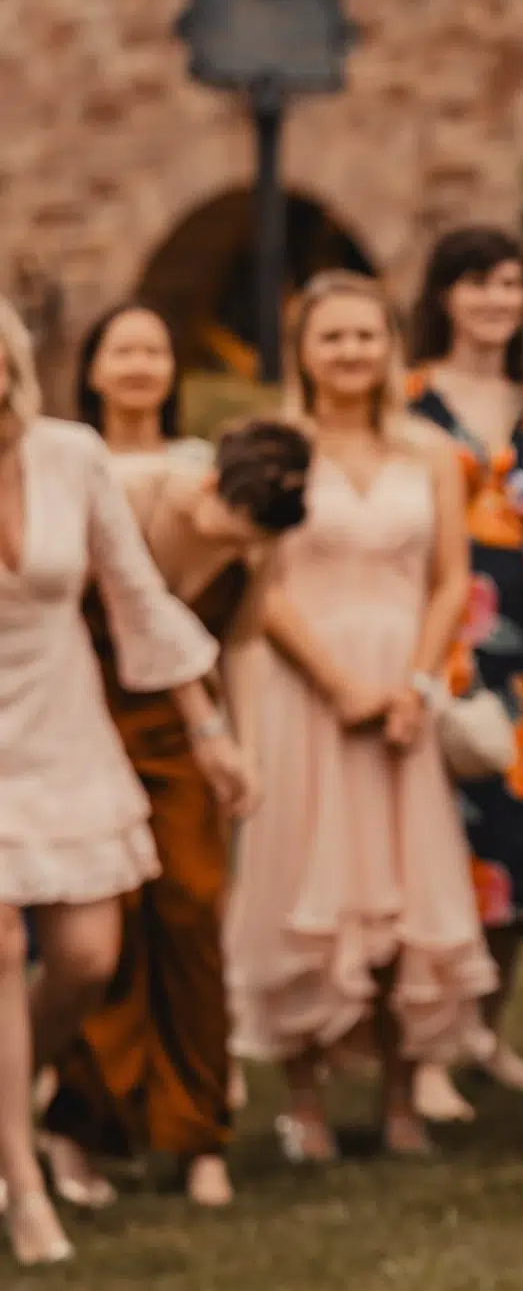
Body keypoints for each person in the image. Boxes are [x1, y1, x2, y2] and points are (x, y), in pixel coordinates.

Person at [224, 272, 495, 1161]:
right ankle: (302, 1101)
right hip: (309, 692)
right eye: (331, 337)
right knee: (310, 883)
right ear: (302, 349)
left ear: (390, 347)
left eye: (366, 336)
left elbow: (452, 577)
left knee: (401, 886)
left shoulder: (427, 451)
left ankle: (399, 1098)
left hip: (401, 692)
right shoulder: (275, 448)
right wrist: (339, 685)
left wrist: (416, 686)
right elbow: (256, 584)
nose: (351, 352)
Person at [0, 298, 248, 1266]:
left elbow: (139, 596)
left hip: (62, 729)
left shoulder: (71, 456)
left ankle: (15, 1100)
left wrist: (211, 729)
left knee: (89, 956)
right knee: (5, 939)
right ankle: (25, 1189)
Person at [42, 406, 309, 1210]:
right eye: (223, 527)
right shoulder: (125, 491)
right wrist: (211, 729)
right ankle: (80, 1128)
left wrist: (246, 749)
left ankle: (199, 1134)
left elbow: (244, 642)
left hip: (182, 739)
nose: (232, 547)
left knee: (193, 912)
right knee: (106, 920)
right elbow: (135, 623)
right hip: (89, 716)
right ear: (205, 481)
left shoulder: (259, 538)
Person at [406, 226, 523, 1119]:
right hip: (436, 640)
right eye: (475, 283)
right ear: (442, 295)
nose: (494, 300)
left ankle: (484, 1030)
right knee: (440, 846)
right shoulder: (406, 398)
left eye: (510, 283)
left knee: (515, 844)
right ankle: (426, 1051)